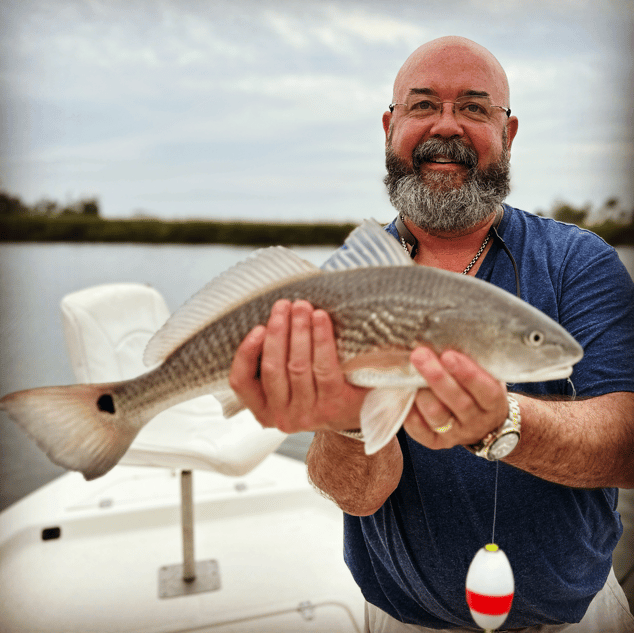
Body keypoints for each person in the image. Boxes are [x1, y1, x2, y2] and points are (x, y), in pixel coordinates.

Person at [228, 36, 634, 631]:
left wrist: (505, 422)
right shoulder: (344, 279)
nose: (447, 126)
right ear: (390, 127)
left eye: (474, 107)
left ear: (509, 132)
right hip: (401, 618)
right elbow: (358, 495)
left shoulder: (580, 261)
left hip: (576, 618)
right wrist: (345, 424)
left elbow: (625, 443)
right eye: (422, 106)